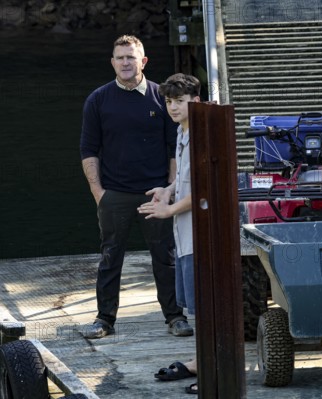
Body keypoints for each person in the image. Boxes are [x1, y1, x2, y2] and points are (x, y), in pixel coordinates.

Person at [80, 35, 193, 339]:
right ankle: (104, 320)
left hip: (155, 193)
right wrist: (99, 194)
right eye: (120, 57)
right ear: (113, 62)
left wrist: (170, 188)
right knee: (109, 257)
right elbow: (88, 150)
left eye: (131, 57)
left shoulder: (162, 97)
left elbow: (174, 149)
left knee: (166, 256)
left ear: (143, 61)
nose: (125, 63)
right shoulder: (98, 99)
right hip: (114, 193)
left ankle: (175, 316)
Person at [138, 73, 201, 395]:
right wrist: (167, 190)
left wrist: (168, 210)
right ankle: (199, 361)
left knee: (206, 305)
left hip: (202, 234)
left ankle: (210, 367)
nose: (173, 107)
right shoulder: (182, 131)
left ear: (196, 101)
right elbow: (187, 181)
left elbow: (205, 190)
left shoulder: (204, 133)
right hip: (185, 234)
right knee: (194, 304)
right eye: (169, 101)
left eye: (180, 101)